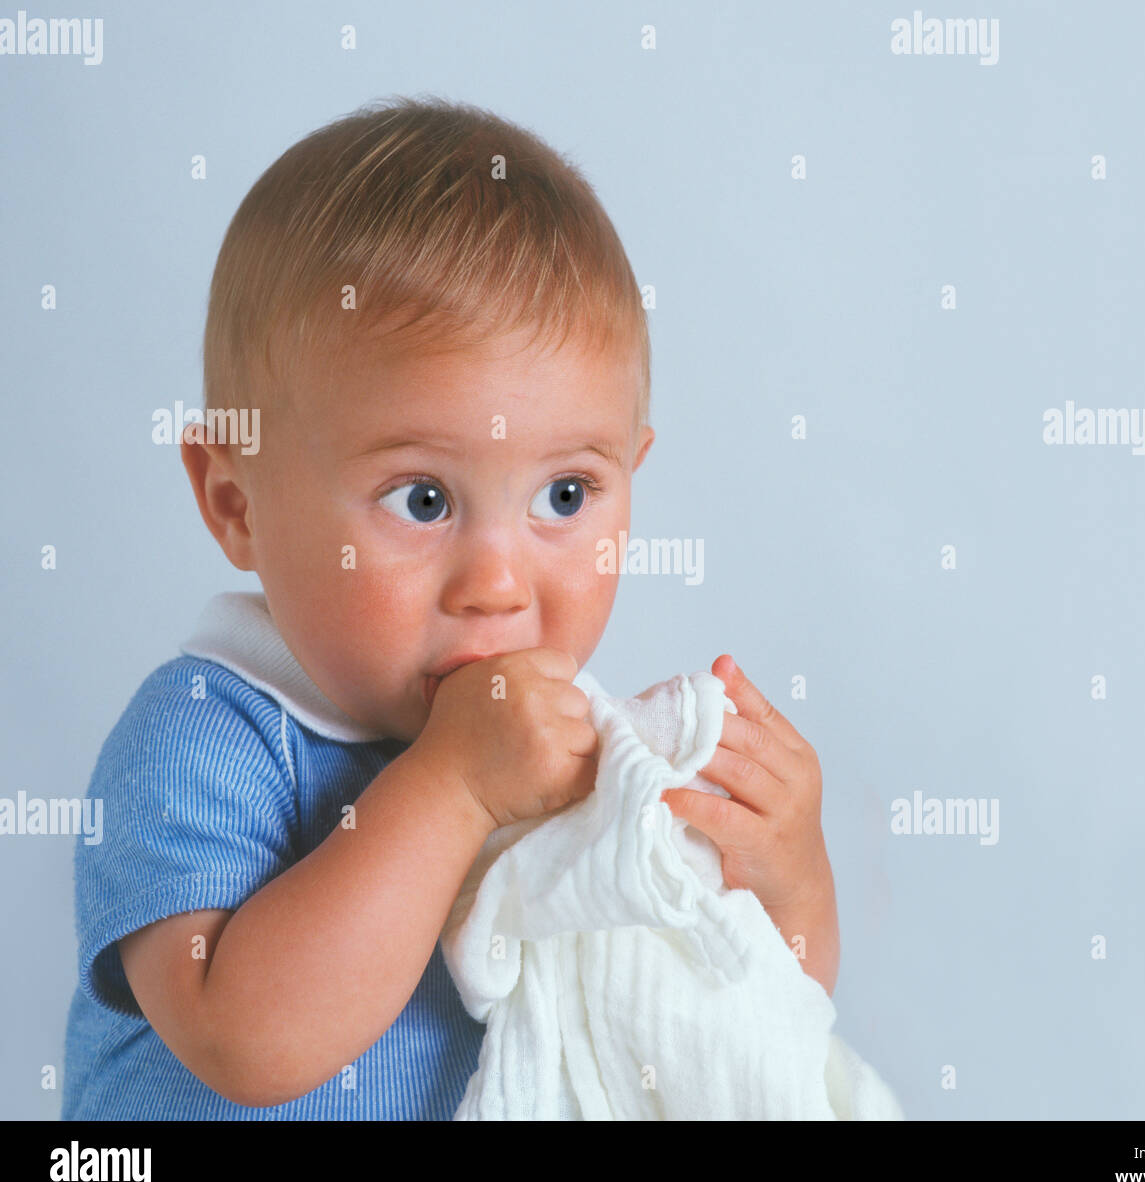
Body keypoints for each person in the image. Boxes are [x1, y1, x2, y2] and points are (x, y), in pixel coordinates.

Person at [62, 95, 837, 1119]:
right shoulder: (205, 737)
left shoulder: (581, 766)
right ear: (236, 501)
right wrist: (453, 789)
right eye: (422, 500)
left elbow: (726, 1025)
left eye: (566, 495)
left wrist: (785, 877)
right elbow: (243, 1040)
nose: (498, 581)